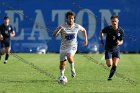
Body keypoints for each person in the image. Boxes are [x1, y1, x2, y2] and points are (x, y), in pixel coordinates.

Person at [53, 11, 88, 79]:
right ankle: (61, 76)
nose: (71, 20)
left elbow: (84, 30)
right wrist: (59, 29)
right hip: (63, 47)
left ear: (74, 18)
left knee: (69, 56)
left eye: (72, 18)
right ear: (67, 19)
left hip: (72, 46)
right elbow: (54, 35)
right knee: (62, 64)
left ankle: (72, 69)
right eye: (69, 18)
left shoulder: (77, 26)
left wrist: (86, 39)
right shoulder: (62, 26)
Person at [100, 15, 124, 80]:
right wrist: (101, 40)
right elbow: (101, 32)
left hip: (116, 49)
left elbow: (122, 41)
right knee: (109, 64)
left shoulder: (121, 31)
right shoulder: (108, 28)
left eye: (115, 21)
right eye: (113, 21)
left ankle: (110, 77)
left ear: (118, 21)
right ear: (111, 22)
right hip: (108, 49)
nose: (114, 22)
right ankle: (108, 60)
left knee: (115, 65)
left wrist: (119, 42)